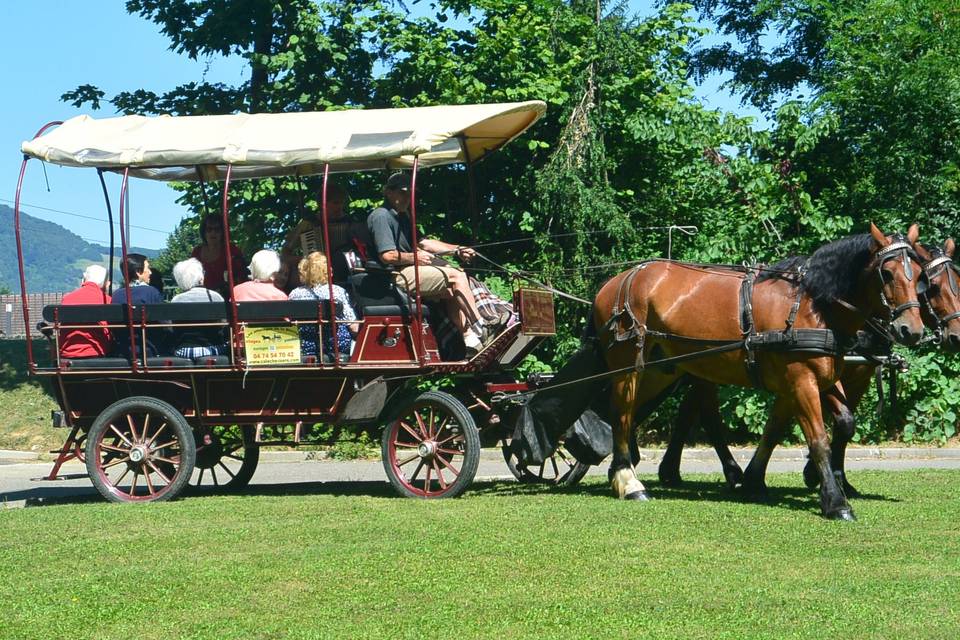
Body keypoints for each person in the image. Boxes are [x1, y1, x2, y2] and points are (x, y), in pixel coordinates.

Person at [367, 172, 507, 356]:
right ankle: (482, 327)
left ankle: (468, 341)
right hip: (394, 277)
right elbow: (388, 256)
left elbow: (423, 243)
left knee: (452, 281)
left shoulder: (403, 216)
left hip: (408, 270)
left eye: (410, 193)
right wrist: (414, 258)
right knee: (456, 276)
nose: (408, 197)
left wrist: (457, 249)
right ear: (388, 192)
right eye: (403, 193)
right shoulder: (381, 216)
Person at [281, 183, 369, 287]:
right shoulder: (309, 224)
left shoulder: (351, 223)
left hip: (348, 277)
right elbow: (285, 253)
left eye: (342, 203)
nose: (340, 207)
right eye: (335, 203)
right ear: (322, 204)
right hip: (317, 280)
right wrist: (306, 260)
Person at [288, 252, 359, 358]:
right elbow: (353, 327)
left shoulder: (294, 294)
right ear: (326, 271)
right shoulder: (337, 291)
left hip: (305, 346)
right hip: (335, 345)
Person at [168, 258, 228, 358]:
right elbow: (223, 324)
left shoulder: (176, 299)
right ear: (201, 278)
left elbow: (171, 328)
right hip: (212, 348)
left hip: (183, 351)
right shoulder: (214, 296)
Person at [111, 253, 164, 357]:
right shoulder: (152, 292)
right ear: (138, 272)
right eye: (147, 268)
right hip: (148, 348)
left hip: (123, 349)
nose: (150, 272)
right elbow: (163, 323)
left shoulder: (117, 295)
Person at [59, 264, 111, 359]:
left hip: (67, 352)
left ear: (83, 280)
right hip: (97, 351)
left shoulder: (67, 299)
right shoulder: (107, 300)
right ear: (106, 284)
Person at [191, 214, 247, 297]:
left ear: (223, 232)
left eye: (217, 230)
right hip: (202, 299)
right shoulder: (196, 252)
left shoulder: (231, 250)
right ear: (204, 232)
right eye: (209, 229)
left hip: (228, 298)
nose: (213, 233)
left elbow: (241, 277)